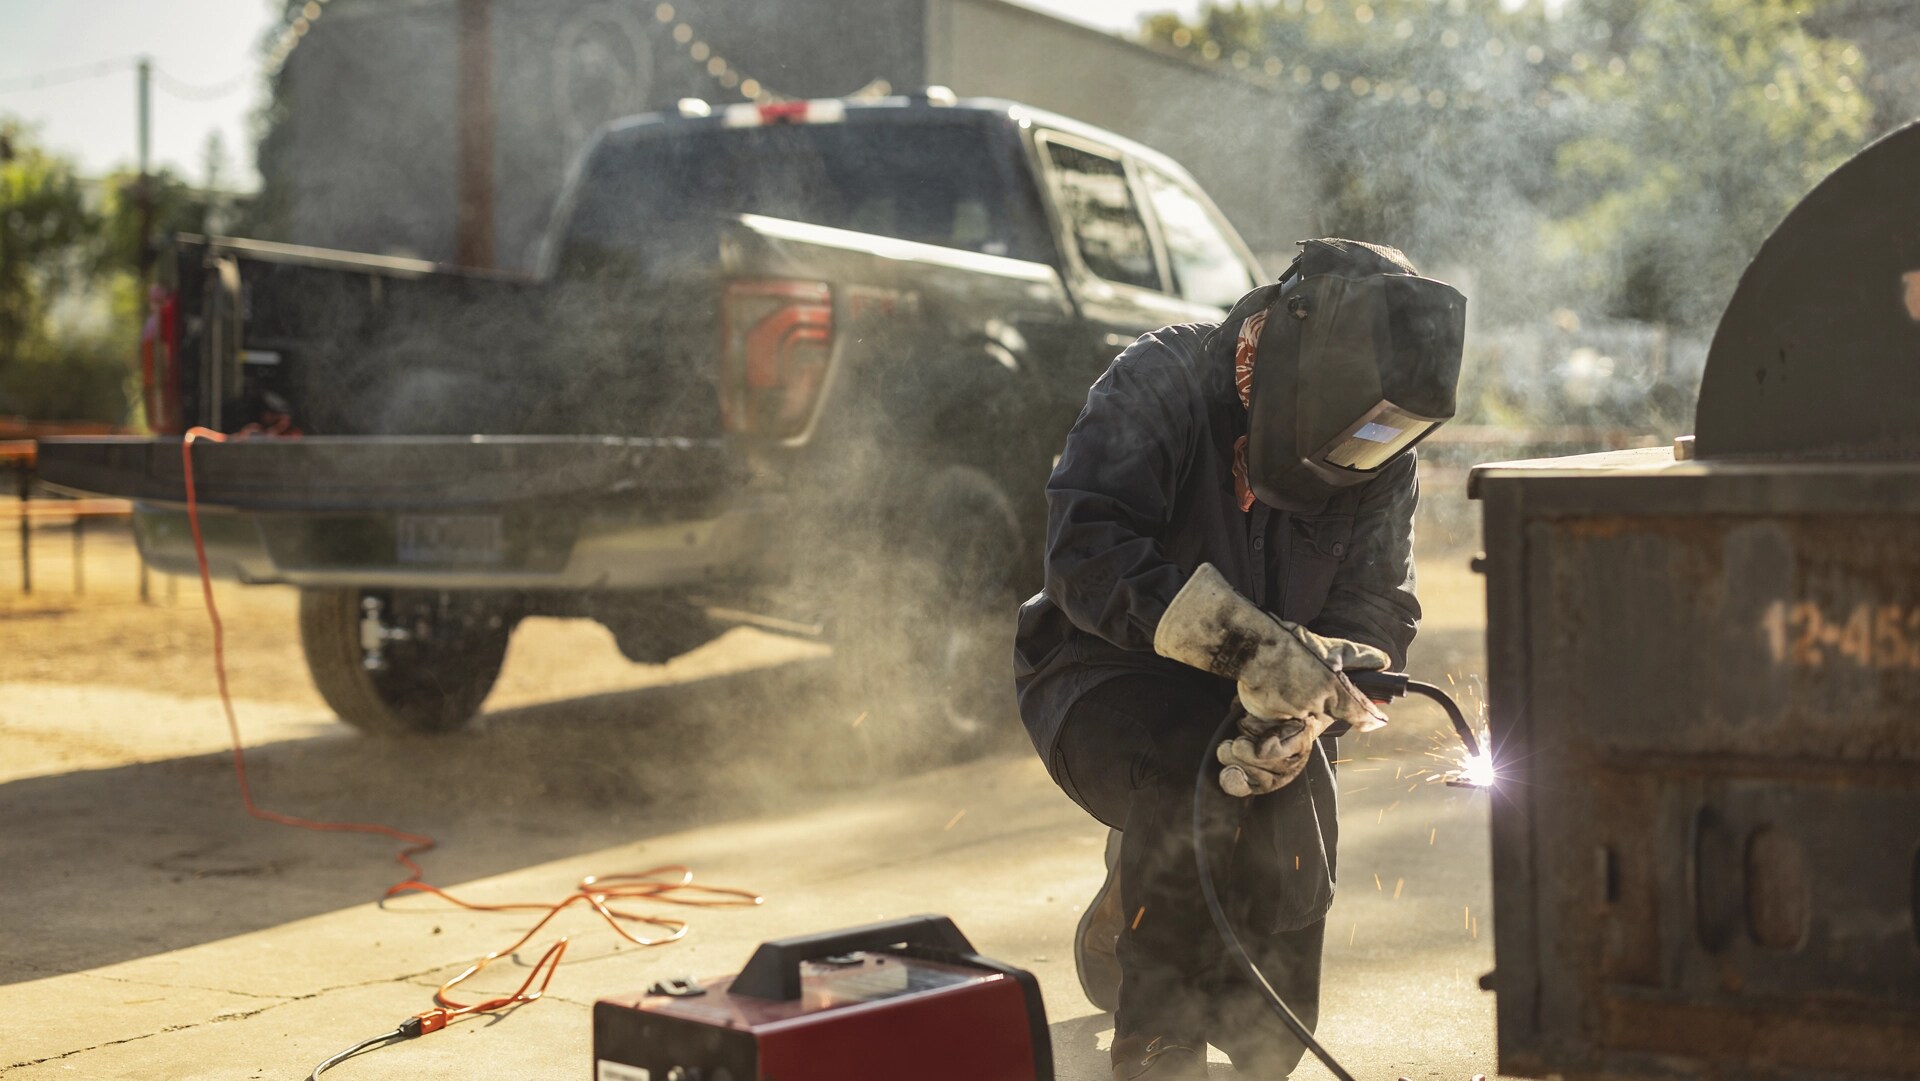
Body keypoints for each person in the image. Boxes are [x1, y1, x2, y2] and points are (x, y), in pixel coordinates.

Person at [1013, 239, 1465, 1079]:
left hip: (1268, 696)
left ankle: (1142, 907)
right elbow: (1086, 553)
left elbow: (1380, 605)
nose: (1359, 463)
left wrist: (1325, 682)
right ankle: (1156, 1041)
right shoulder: (1160, 379)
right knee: (1193, 764)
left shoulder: (1377, 442)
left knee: (1289, 827)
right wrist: (1249, 648)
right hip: (1098, 676)